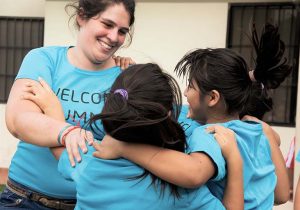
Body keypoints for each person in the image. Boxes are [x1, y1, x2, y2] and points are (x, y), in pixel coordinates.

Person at [94, 23, 291, 209]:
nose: (185, 92)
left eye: (190, 86)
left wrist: (124, 148)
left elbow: (193, 174)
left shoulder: (208, 134)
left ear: (212, 98)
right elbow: (281, 195)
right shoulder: (258, 131)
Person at [21, 63, 243, 210]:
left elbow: (62, 150)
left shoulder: (91, 165)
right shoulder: (181, 190)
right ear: (167, 115)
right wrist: (235, 160)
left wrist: (52, 107)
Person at [1, 0, 135, 209]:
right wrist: (68, 132)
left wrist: (52, 116)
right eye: (107, 25)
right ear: (82, 16)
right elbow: (18, 120)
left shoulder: (126, 78)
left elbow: (128, 145)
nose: (113, 37)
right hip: (24, 200)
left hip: (89, 203)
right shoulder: (45, 59)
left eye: (122, 31)